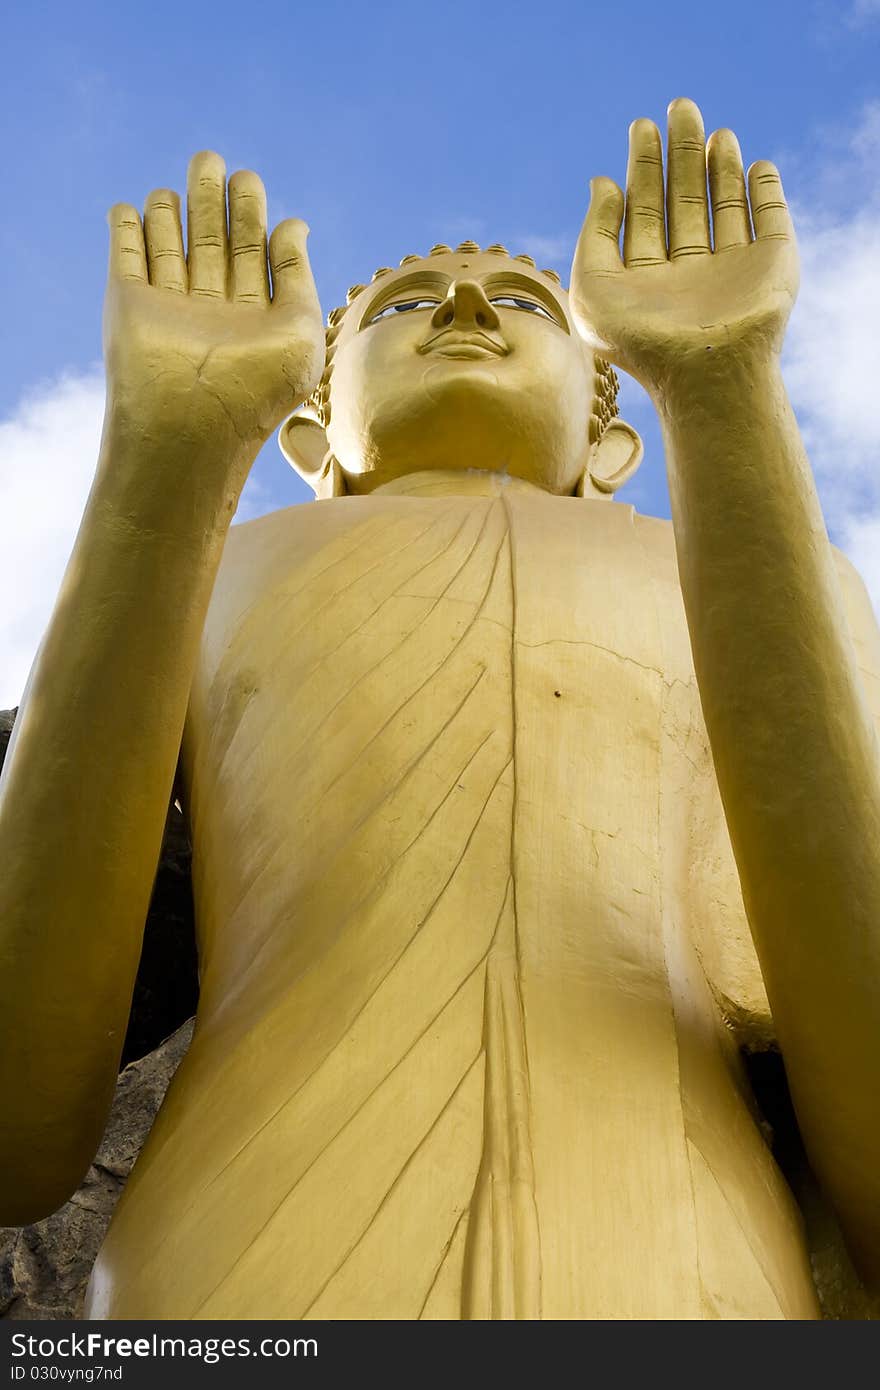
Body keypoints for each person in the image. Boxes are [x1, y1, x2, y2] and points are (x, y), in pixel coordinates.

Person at [1, 99, 878, 1320]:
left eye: (526, 305)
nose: (464, 310)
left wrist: (726, 396)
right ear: (313, 437)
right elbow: (18, 1123)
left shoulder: (754, 577)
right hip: (246, 1259)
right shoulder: (218, 570)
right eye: (404, 303)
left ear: (610, 443)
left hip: (682, 1265)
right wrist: (165, 459)